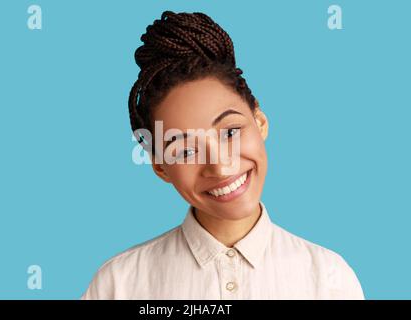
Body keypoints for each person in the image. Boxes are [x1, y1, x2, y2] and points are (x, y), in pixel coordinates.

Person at [81, 10, 364, 300]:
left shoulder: (329, 278)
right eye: (186, 150)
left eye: (230, 132)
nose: (219, 166)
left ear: (260, 122)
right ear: (161, 167)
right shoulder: (119, 284)